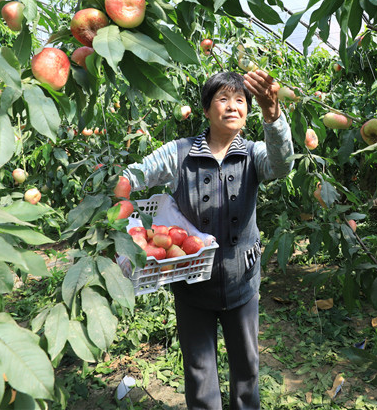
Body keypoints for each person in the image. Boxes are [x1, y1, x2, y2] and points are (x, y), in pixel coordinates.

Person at [121, 69, 294, 410]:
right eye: (223, 99)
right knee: (199, 371)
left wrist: (273, 115)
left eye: (241, 100)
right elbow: (134, 176)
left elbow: (283, 164)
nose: (233, 106)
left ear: (248, 111)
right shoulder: (180, 154)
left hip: (241, 280)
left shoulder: (253, 154)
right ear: (206, 109)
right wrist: (109, 201)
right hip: (191, 283)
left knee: (246, 366)